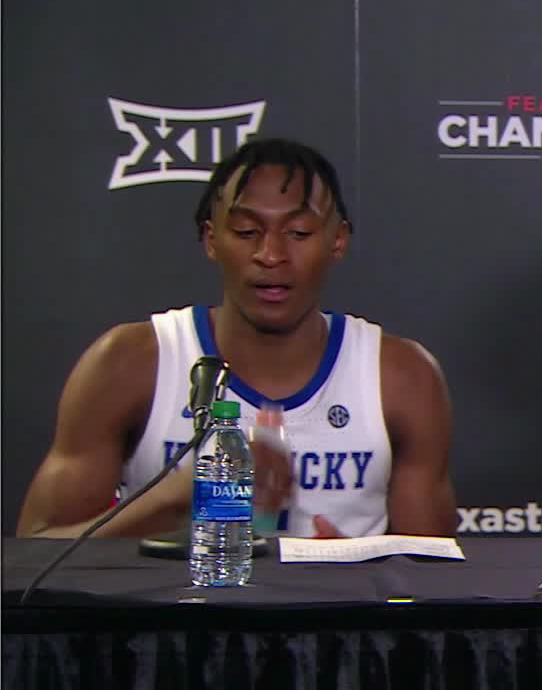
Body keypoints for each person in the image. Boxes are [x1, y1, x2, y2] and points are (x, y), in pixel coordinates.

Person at [17, 138, 457, 539]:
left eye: (299, 233)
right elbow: (33, 557)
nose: (271, 255)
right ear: (212, 239)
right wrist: (173, 496)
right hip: (171, 626)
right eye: (247, 232)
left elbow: (433, 583)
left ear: (337, 241)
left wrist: (355, 575)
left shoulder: (402, 377)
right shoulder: (131, 362)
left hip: (335, 628)